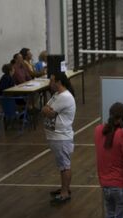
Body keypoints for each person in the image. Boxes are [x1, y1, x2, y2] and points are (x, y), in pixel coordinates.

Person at [42, 72, 76, 205]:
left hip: (61, 137)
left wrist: (47, 110)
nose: (50, 84)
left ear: (59, 82)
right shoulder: (57, 95)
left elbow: (48, 113)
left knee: (64, 166)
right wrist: (47, 110)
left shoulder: (65, 97)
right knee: (62, 165)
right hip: (55, 136)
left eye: (52, 81)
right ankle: (64, 188)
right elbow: (45, 109)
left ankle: (65, 193)